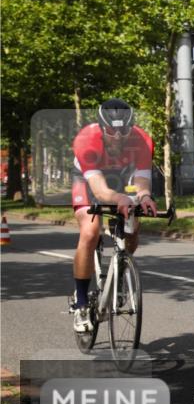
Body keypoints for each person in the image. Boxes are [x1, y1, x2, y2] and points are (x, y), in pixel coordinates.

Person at [69, 98, 157, 332]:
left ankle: (119, 275)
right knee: (89, 232)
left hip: (122, 177)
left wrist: (145, 197)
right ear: (101, 127)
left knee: (132, 229)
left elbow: (141, 182)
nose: (118, 137)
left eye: (124, 131)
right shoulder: (87, 141)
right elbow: (99, 190)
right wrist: (119, 199)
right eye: (111, 131)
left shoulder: (142, 140)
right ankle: (80, 303)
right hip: (88, 180)